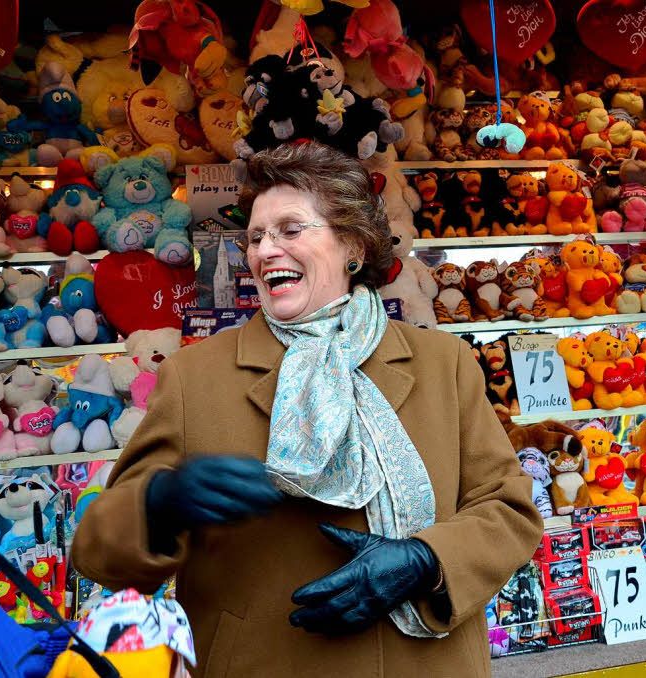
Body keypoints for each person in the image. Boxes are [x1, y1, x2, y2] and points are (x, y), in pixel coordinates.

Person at [72, 141, 543, 677]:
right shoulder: (193, 377)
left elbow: (509, 510)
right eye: (255, 237)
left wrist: (427, 562)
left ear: (353, 247)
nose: (265, 250)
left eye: (290, 230)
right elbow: (96, 554)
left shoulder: (443, 363)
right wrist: (157, 506)